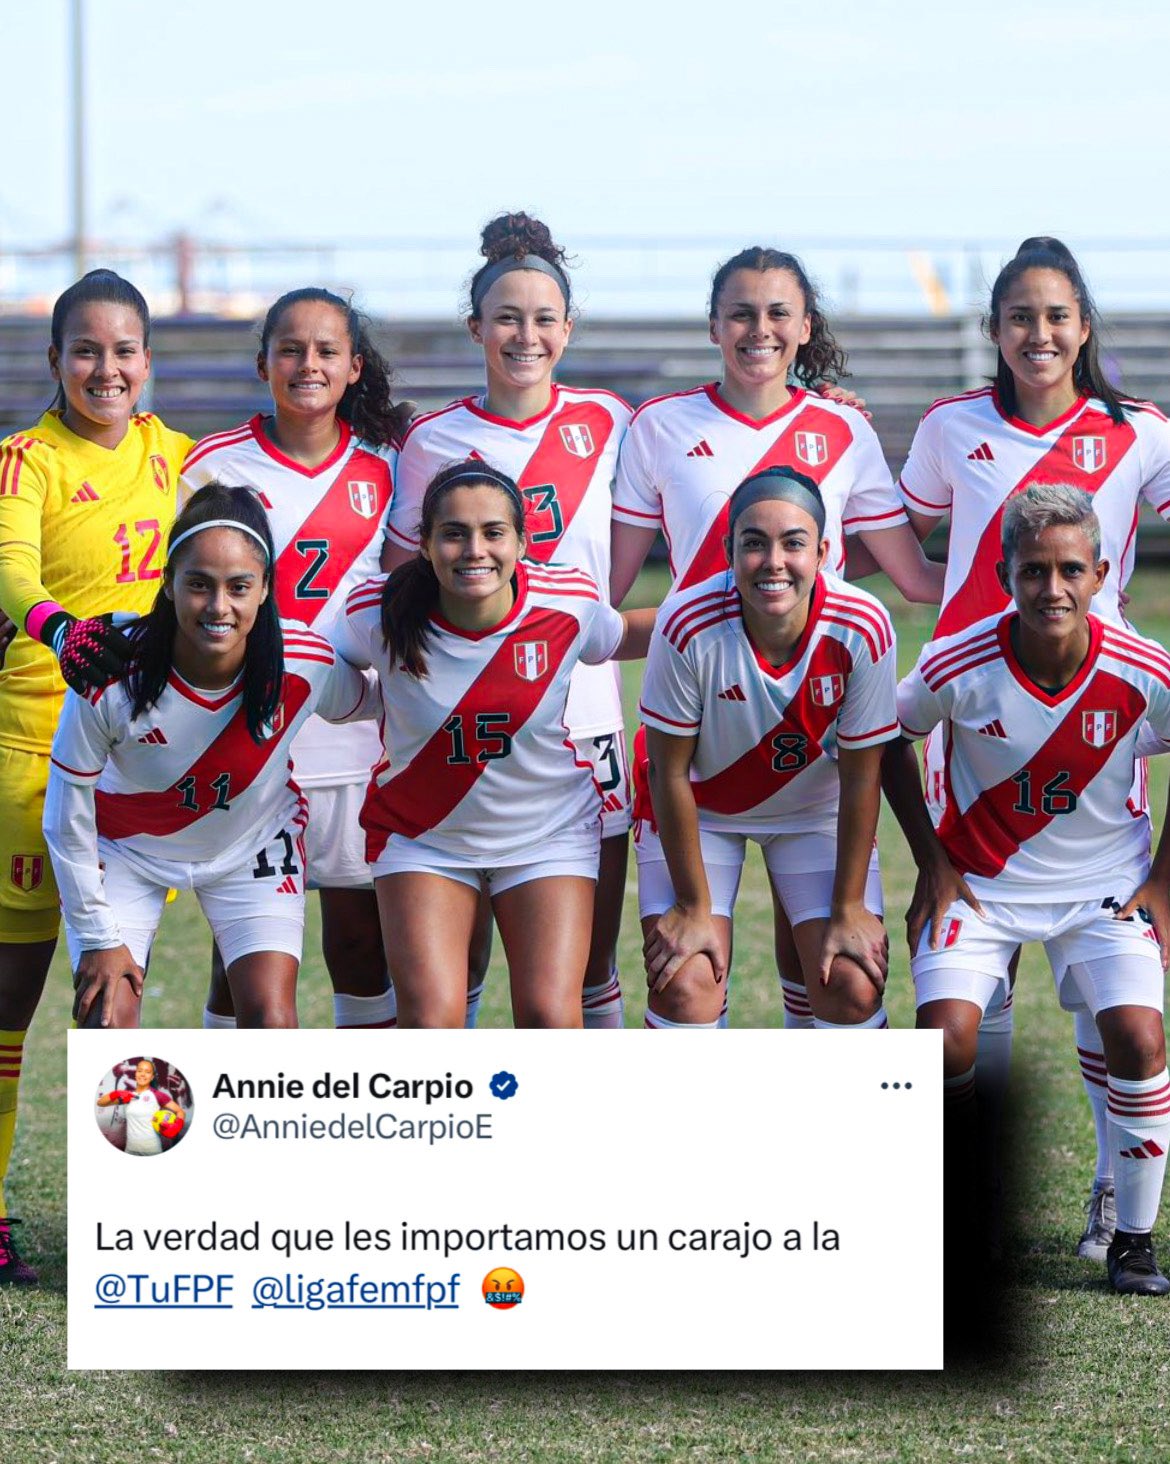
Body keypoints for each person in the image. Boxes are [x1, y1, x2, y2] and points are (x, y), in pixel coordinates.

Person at [898, 236, 1170, 1261]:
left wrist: (1111, 613)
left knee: (1117, 1012)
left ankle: (1117, 1200)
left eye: (1057, 316)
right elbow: (914, 540)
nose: (1039, 334)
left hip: (1095, 693)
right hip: (976, 689)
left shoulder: (1137, 432)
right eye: (1020, 316)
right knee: (978, 970)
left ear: (1084, 325)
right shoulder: (950, 426)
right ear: (997, 330)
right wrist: (936, 603)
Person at [610, 244, 941, 1026]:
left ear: (804, 325)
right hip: (698, 741)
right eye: (741, 313)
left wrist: (1077, 597)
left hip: (810, 755)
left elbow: (917, 579)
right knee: (684, 981)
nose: (759, 329)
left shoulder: (841, 428)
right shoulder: (659, 426)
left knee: (846, 978)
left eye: (777, 313)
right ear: (714, 325)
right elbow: (606, 601)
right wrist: (693, 635)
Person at [385, 212, 632, 1028]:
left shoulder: (611, 419)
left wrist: (823, 396)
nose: (526, 336)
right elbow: (399, 581)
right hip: (458, 725)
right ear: (476, 328)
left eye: (544, 319)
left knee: (579, 975)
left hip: (582, 721)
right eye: (507, 318)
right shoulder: (430, 439)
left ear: (569, 328)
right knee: (457, 972)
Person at [0, 269, 192, 1284]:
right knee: (10, 998)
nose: (105, 367)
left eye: (123, 350)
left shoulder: (179, 459)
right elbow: (11, 569)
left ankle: (117, 1222)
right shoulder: (25, 459)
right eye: (86, 349)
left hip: (146, 766)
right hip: (34, 752)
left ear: (147, 361)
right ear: (57, 359)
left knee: (114, 988)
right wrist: (53, 628)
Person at [43, 483, 377, 1030]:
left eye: (239, 586)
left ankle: (237, 1116)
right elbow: (65, 814)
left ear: (265, 589)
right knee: (105, 1018)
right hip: (128, 852)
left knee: (272, 1023)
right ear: (170, 585)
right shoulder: (109, 666)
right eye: (199, 585)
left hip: (252, 847)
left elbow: (370, 702)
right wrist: (99, 937)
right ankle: (136, 1120)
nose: (219, 607)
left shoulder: (304, 661)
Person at [341, 460, 651, 1028]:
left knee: (550, 1017)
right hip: (423, 836)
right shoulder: (374, 609)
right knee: (432, 1021)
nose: (474, 550)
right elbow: (312, 661)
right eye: (454, 534)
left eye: (493, 533)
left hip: (547, 830)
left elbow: (621, 635)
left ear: (522, 542)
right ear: (426, 545)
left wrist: (733, 611)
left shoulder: (568, 600)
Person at [182, 288, 409, 1032]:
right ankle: (232, 1130)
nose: (307, 364)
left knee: (359, 944)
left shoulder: (388, 465)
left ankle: (361, 1129)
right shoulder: (214, 465)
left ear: (352, 368)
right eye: (290, 349)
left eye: (325, 351)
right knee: (241, 961)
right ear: (262, 364)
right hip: (248, 744)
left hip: (354, 738)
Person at [639, 468, 897, 1028]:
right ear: (729, 550)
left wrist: (850, 908)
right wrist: (691, 907)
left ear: (824, 551)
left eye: (794, 543)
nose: (773, 561)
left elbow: (861, 776)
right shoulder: (685, 622)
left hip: (813, 813)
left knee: (852, 983)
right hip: (700, 811)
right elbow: (668, 773)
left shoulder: (863, 625)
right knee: (684, 983)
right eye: (753, 543)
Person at [96, 1058, 184, 1157]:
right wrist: (115, 1093)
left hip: (152, 1150)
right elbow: (100, 1103)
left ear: (152, 1077)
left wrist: (177, 1125)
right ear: (136, 1074)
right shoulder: (128, 1096)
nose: (142, 1074)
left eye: (147, 1072)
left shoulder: (158, 1095)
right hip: (130, 1150)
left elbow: (180, 1111)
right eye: (140, 1071)